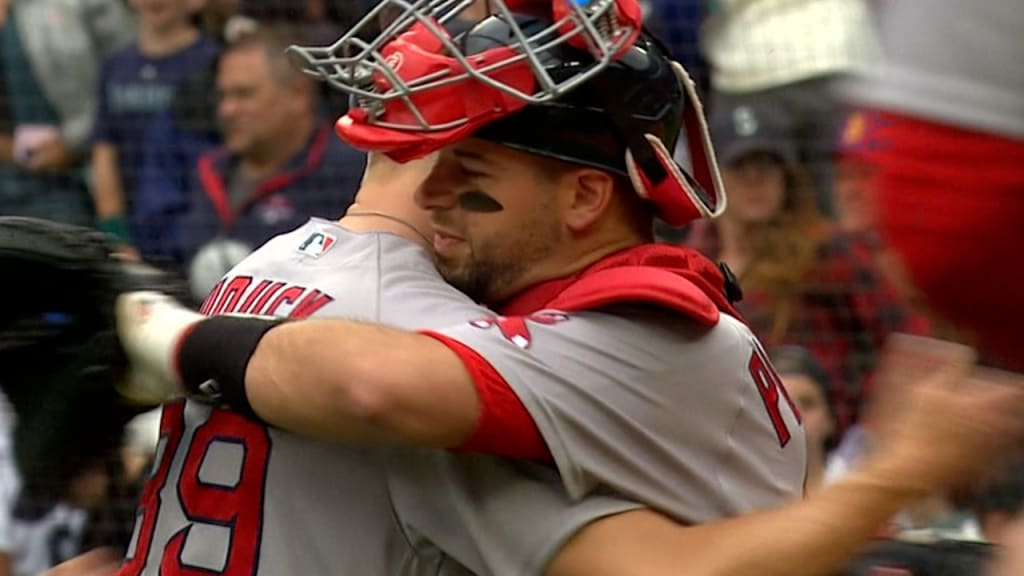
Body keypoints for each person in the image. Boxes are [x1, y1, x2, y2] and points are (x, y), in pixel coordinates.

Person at [50, 3, 1024, 576]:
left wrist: (157, 332)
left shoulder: (619, 328)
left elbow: (371, 387)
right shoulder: (491, 326)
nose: (447, 192)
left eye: (478, 171)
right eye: (451, 162)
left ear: (585, 196)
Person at [90, 0, 220, 256]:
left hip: (193, 232)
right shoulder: (115, 66)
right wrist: (117, 237)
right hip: (131, 235)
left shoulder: (215, 63)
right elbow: (104, 153)